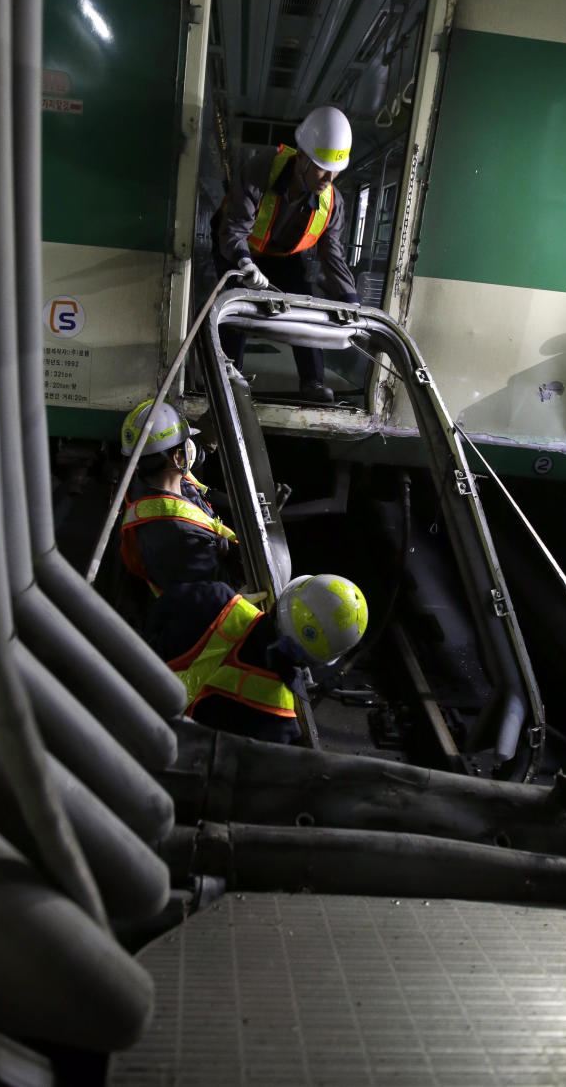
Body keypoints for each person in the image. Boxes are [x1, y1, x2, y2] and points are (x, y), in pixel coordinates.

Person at [213, 105, 359, 406]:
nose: (328, 177)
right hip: (239, 247)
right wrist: (244, 264)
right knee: (238, 307)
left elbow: (333, 256)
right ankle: (229, 377)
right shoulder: (259, 171)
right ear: (301, 158)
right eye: (321, 166)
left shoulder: (332, 203)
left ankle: (313, 382)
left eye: (335, 171)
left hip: (281, 254)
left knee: (304, 304)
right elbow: (233, 232)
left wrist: (351, 304)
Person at [144, 573, 368, 745]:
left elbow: (151, 620)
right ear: (313, 663)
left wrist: (231, 604)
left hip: (122, 686)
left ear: (275, 604)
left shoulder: (213, 598)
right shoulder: (281, 724)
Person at [119, 398, 239, 595]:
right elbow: (221, 594)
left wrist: (221, 406)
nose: (191, 447)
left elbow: (196, 451)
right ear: (176, 457)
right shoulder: (178, 534)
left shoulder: (151, 479)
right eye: (186, 443)